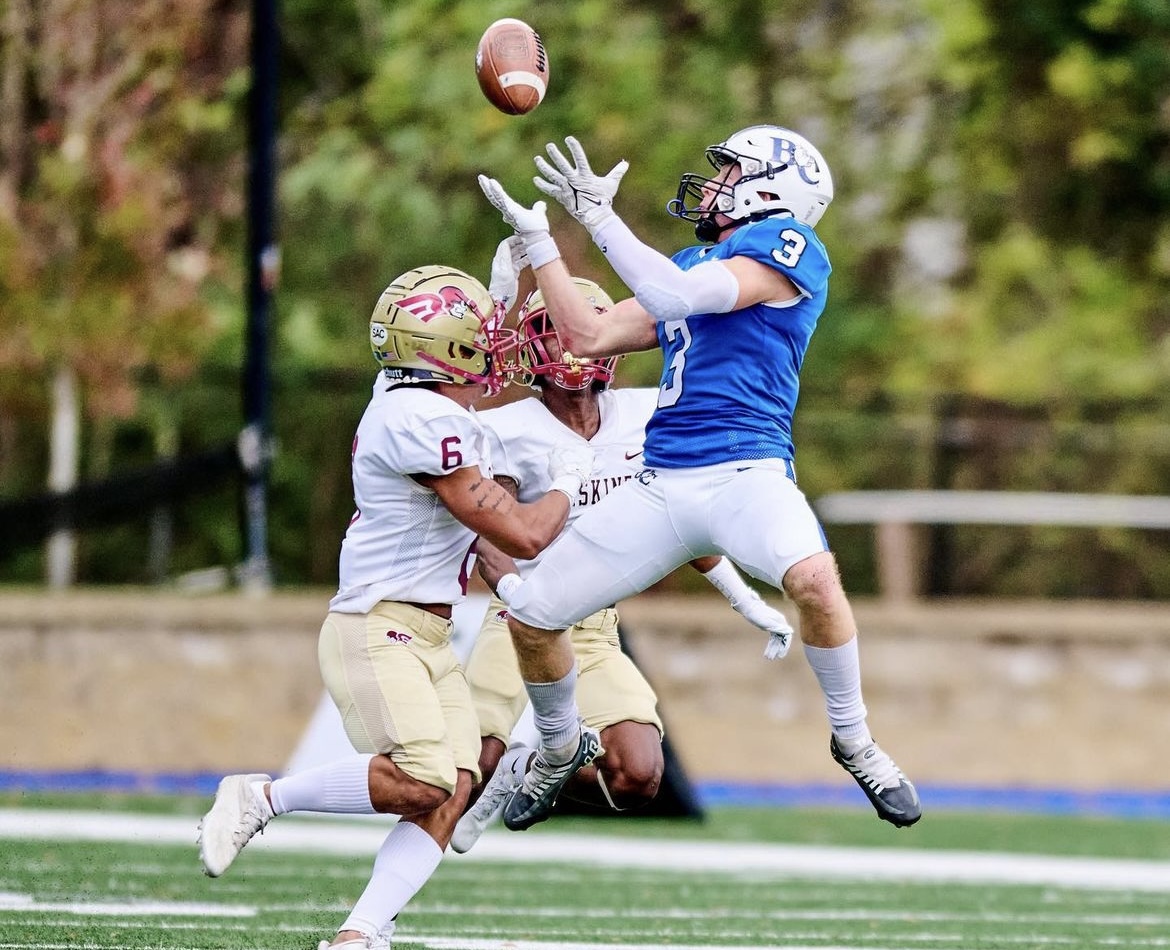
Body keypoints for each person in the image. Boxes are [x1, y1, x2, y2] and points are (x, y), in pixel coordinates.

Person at [476, 125, 922, 832]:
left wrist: (600, 218)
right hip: (663, 483)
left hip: (746, 473)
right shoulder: (687, 263)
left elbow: (682, 296)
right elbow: (589, 336)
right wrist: (542, 246)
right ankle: (559, 747)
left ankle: (854, 738)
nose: (710, 184)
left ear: (770, 189)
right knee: (532, 615)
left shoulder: (791, 248)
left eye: (728, 172)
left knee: (813, 581)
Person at [197, 260, 596, 950]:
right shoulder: (422, 420)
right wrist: (570, 476)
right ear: (440, 353)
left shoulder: (403, 387)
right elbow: (524, 531)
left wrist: (497, 293)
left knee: (458, 784)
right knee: (423, 779)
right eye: (478, 341)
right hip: (378, 627)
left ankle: (360, 933)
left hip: (429, 633)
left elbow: (440, 361)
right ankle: (262, 798)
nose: (493, 352)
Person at [450, 278, 795, 853]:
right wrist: (519, 595)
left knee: (637, 778)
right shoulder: (507, 428)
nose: (574, 348)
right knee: (471, 768)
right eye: (557, 335)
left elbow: (686, 522)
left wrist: (747, 600)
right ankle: (503, 767)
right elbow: (492, 534)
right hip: (521, 620)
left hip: (595, 627)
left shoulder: (643, 414)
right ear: (533, 348)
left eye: (582, 333)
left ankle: (535, 764)